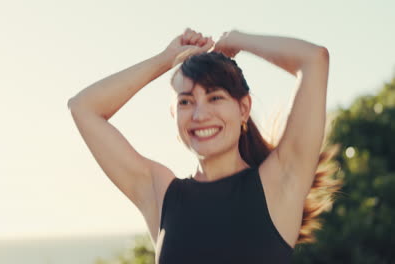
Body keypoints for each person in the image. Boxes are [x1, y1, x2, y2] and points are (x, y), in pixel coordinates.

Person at [68, 28, 342, 263]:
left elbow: (314, 59)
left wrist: (237, 40)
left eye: (215, 98)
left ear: (244, 108)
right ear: (174, 115)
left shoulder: (279, 181)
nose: (199, 115)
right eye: (186, 101)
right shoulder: (161, 194)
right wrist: (167, 59)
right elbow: (83, 107)